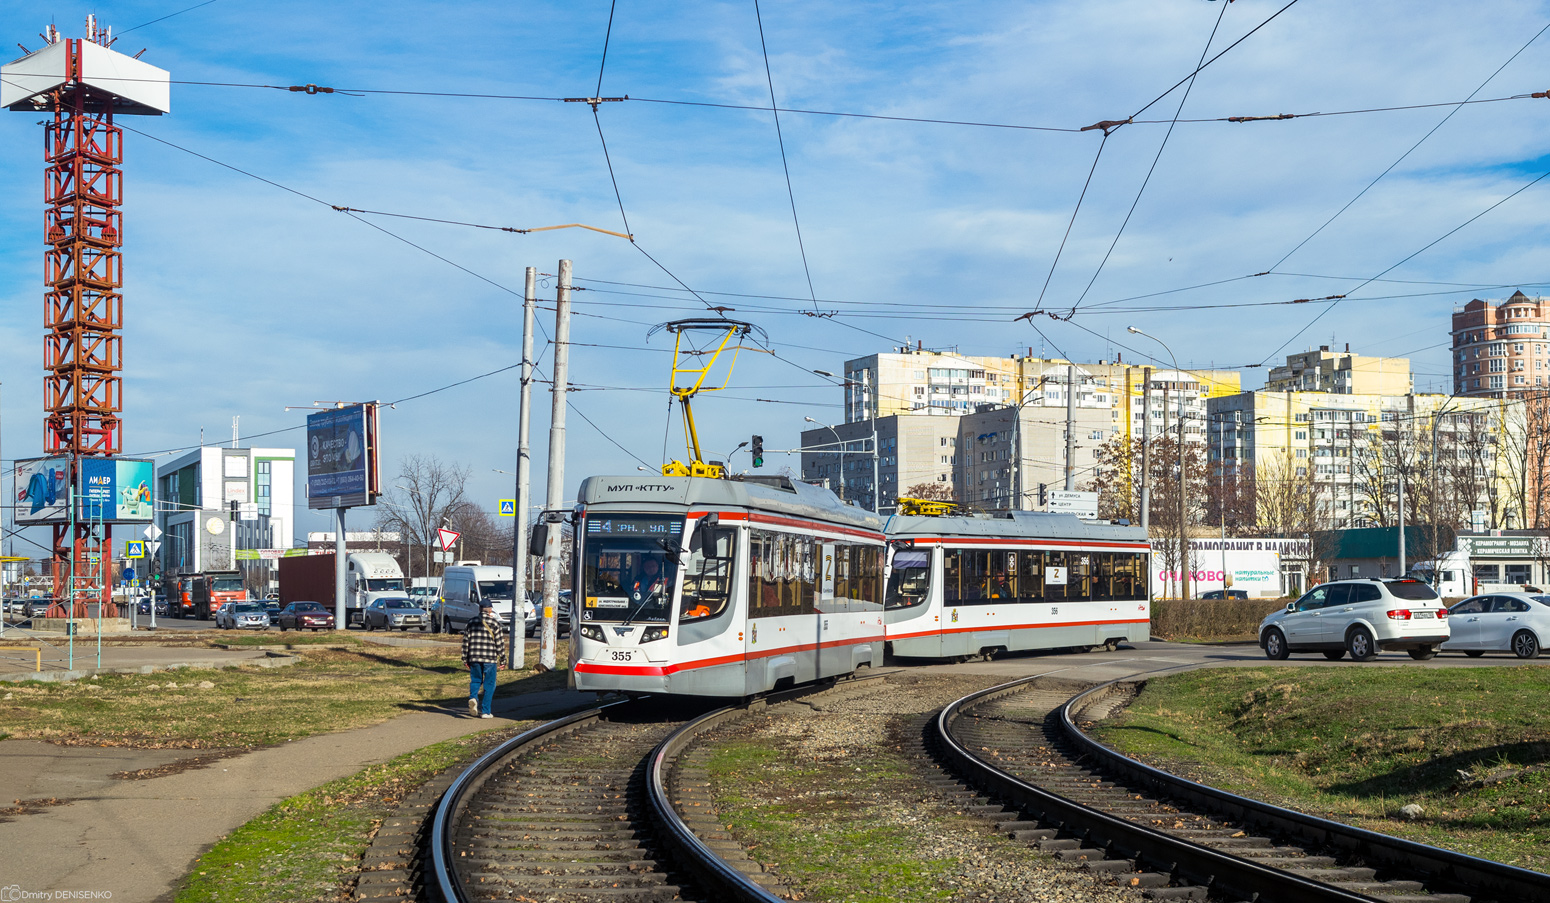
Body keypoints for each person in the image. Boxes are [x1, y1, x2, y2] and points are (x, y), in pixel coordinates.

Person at [460, 599, 508, 718]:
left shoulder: (471, 622)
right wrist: (503, 659)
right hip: (490, 658)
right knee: (489, 684)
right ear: (490, 610)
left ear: (479, 609)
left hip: (474, 658)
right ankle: (486, 711)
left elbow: (466, 642)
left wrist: (465, 658)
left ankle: (473, 698)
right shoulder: (495, 623)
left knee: (476, 680)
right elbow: (499, 643)